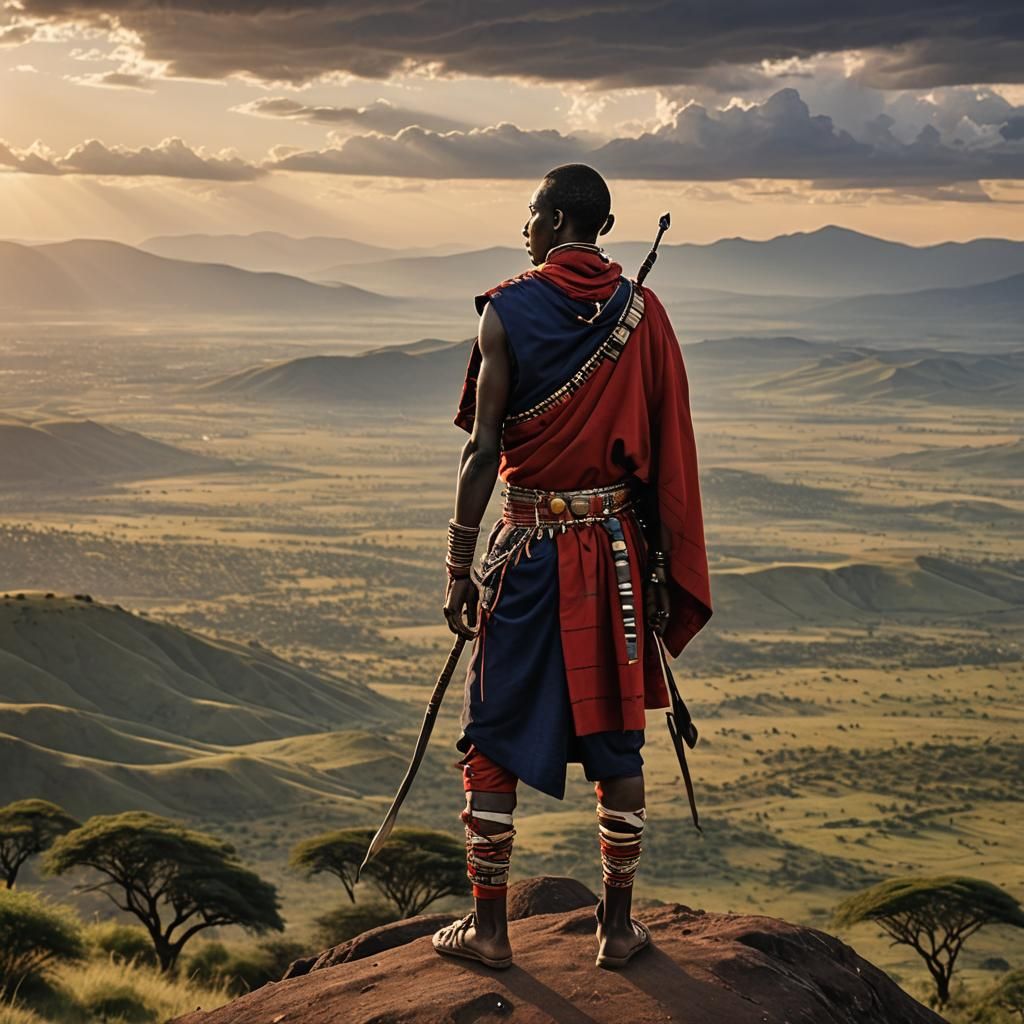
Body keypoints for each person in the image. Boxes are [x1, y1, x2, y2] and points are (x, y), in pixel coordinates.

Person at [434, 163, 712, 971]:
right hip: (616, 558)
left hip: (525, 553)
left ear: (555, 220)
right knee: (617, 739)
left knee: (491, 731)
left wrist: (458, 563)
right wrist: (659, 571)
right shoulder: (644, 314)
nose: (524, 227)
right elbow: (666, 452)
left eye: (530, 213)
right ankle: (616, 929)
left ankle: (490, 931)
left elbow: (483, 450)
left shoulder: (506, 310)